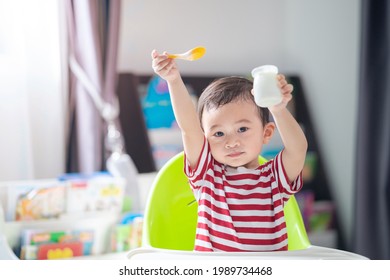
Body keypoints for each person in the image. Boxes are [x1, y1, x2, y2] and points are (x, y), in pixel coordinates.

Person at [151, 49, 308, 252]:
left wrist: (277, 109)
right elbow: (189, 129)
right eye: (218, 134)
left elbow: (298, 149)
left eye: (242, 129)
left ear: (266, 133)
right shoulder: (207, 176)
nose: (231, 142)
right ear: (205, 139)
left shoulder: (274, 179)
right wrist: (173, 79)